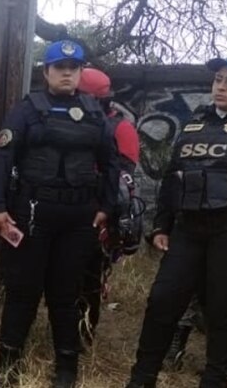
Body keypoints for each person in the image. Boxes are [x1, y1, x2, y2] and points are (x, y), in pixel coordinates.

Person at [125, 53, 227, 388]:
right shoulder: (194, 123)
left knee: (223, 310)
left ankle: (215, 380)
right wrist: (161, 224)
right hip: (189, 229)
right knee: (162, 300)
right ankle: (141, 379)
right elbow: (173, 177)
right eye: (218, 80)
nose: (221, 87)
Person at [0, 40, 119, 388]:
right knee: (23, 290)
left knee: (66, 292)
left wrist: (107, 207)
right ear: (46, 72)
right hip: (33, 212)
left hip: (78, 216)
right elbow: (2, 158)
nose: (66, 73)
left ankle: (66, 367)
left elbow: (111, 162)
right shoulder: (27, 109)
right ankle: (8, 362)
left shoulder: (94, 112)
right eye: (59, 67)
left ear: (80, 73)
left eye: (73, 68)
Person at [74, 67, 142, 346]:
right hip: (69, 208)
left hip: (98, 215)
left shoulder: (120, 128)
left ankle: (82, 336)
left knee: (88, 278)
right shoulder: (73, 122)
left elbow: (123, 181)